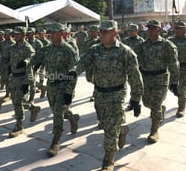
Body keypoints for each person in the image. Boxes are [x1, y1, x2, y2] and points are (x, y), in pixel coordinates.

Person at [74, 20, 144, 171]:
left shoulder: (125, 52)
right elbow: (82, 63)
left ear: (115, 33)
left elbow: (135, 77)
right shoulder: (94, 49)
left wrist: (136, 99)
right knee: (105, 124)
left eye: (106, 32)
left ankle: (109, 159)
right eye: (101, 32)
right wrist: (72, 73)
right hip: (99, 93)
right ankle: (122, 130)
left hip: (116, 94)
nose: (102, 35)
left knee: (110, 128)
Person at [0, 26, 41, 137]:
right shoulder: (12, 48)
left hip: (23, 78)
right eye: (15, 34)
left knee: (18, 102)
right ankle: (33, 108)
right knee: (16, 101)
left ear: (23, 35)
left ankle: (19, 126)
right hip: (13, 78)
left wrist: (26, 82)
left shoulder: (28, 48)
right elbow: (3, 59)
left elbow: (31, 63)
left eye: (18, 34)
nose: (15, 36)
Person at [32, 22, 80, 157]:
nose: (52, 35)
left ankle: (56, 140)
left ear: (62, 33)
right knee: (59, 111)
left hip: (64, 86)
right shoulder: (47, 48)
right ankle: (72, 119)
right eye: (50, 33)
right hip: (51, 85)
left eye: (54, 33)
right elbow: (35, 58)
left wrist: (69, 91)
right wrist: (28, 64)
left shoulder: (68, 50)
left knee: (57, 113)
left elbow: (74, 71)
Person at [135, 19, 179, 144]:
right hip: (146, 78)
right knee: (146, 103)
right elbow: (133, 59)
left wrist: (174, 82)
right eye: (148, 28)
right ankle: (160, 110)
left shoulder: (167, 45)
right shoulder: (142, 45)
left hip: (161, 78)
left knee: (155, 104)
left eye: (153, 28)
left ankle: (154, 130)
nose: (150, 30)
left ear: (159, 29)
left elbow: (173, 64)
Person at [168, 21, 186, 117]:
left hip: (184, 67)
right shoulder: (171, 40)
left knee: (181, 88)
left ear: (184, 29)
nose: (178, 30)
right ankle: (182, 98)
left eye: (180, 28)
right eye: (177, 28)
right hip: (173, 68)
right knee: (171, 87)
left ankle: (181, 107)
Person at [0, 28, 16, 100]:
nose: (5, 36)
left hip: (9, 63)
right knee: (3, 78)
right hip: (2, 63)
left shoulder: (13, 43)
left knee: (8, 79)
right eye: (5, 34)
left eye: (7, 34)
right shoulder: (2, 43)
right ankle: (8, 91)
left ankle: (8, 94)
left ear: (10, 34)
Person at [26, 27, 43, 103]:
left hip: (34, 66)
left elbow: (41, 55)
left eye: (29, 33)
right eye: (27, 33)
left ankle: (31, 99)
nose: (27, 34)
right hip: (26, 66)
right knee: (26, 81)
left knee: (32, 82)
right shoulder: (26, 42)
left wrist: (37, 66)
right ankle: (42, 87)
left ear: (33, 33)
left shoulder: (38, 43)